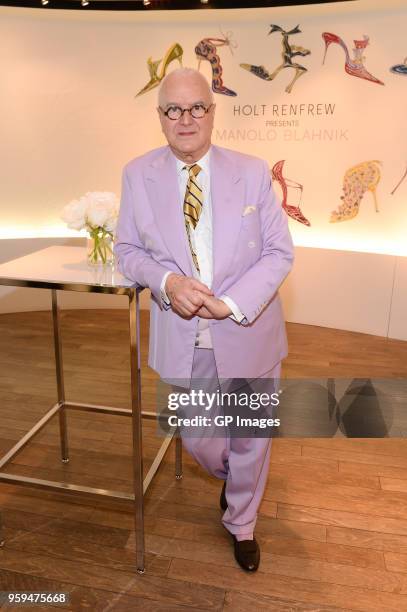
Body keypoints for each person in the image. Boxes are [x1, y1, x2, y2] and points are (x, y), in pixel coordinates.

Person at [114, 68, 294, 572]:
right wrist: (167, 283)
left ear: (213, 113)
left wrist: (232, 304)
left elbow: (279, 252)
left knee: (251, 433)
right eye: (174, 109)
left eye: (196, 108)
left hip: (248, 328)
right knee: (198, 436)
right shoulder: (137, 174)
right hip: (182, 332)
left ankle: (242, 521)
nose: (185, 119)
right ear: (160, 118)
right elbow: (127, 251)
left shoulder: (253, 171)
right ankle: (237, 478)